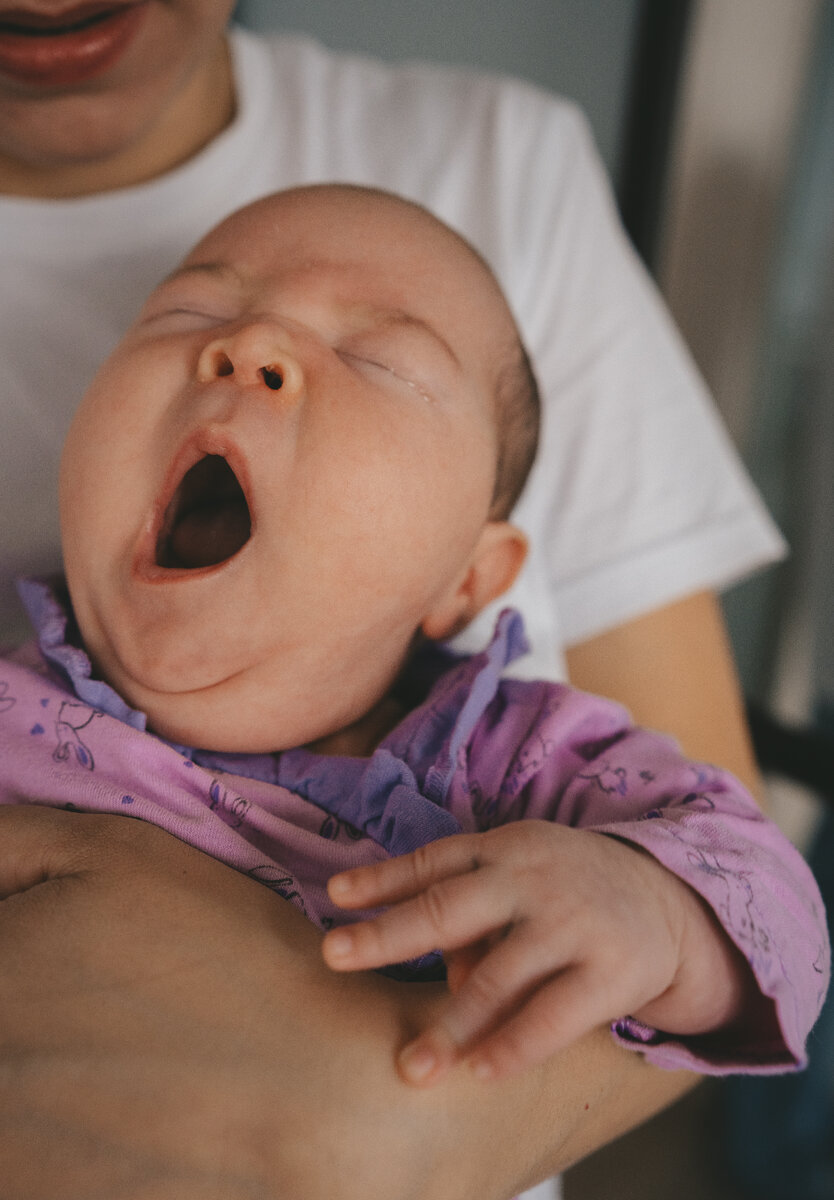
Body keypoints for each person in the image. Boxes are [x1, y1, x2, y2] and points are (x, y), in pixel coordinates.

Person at [0, 3, 785, 1196]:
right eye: (187, 317)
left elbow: (758, 881)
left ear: (469, 578)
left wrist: (658, 913)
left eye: (377, 360)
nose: (250, 342)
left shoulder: (525, 765)